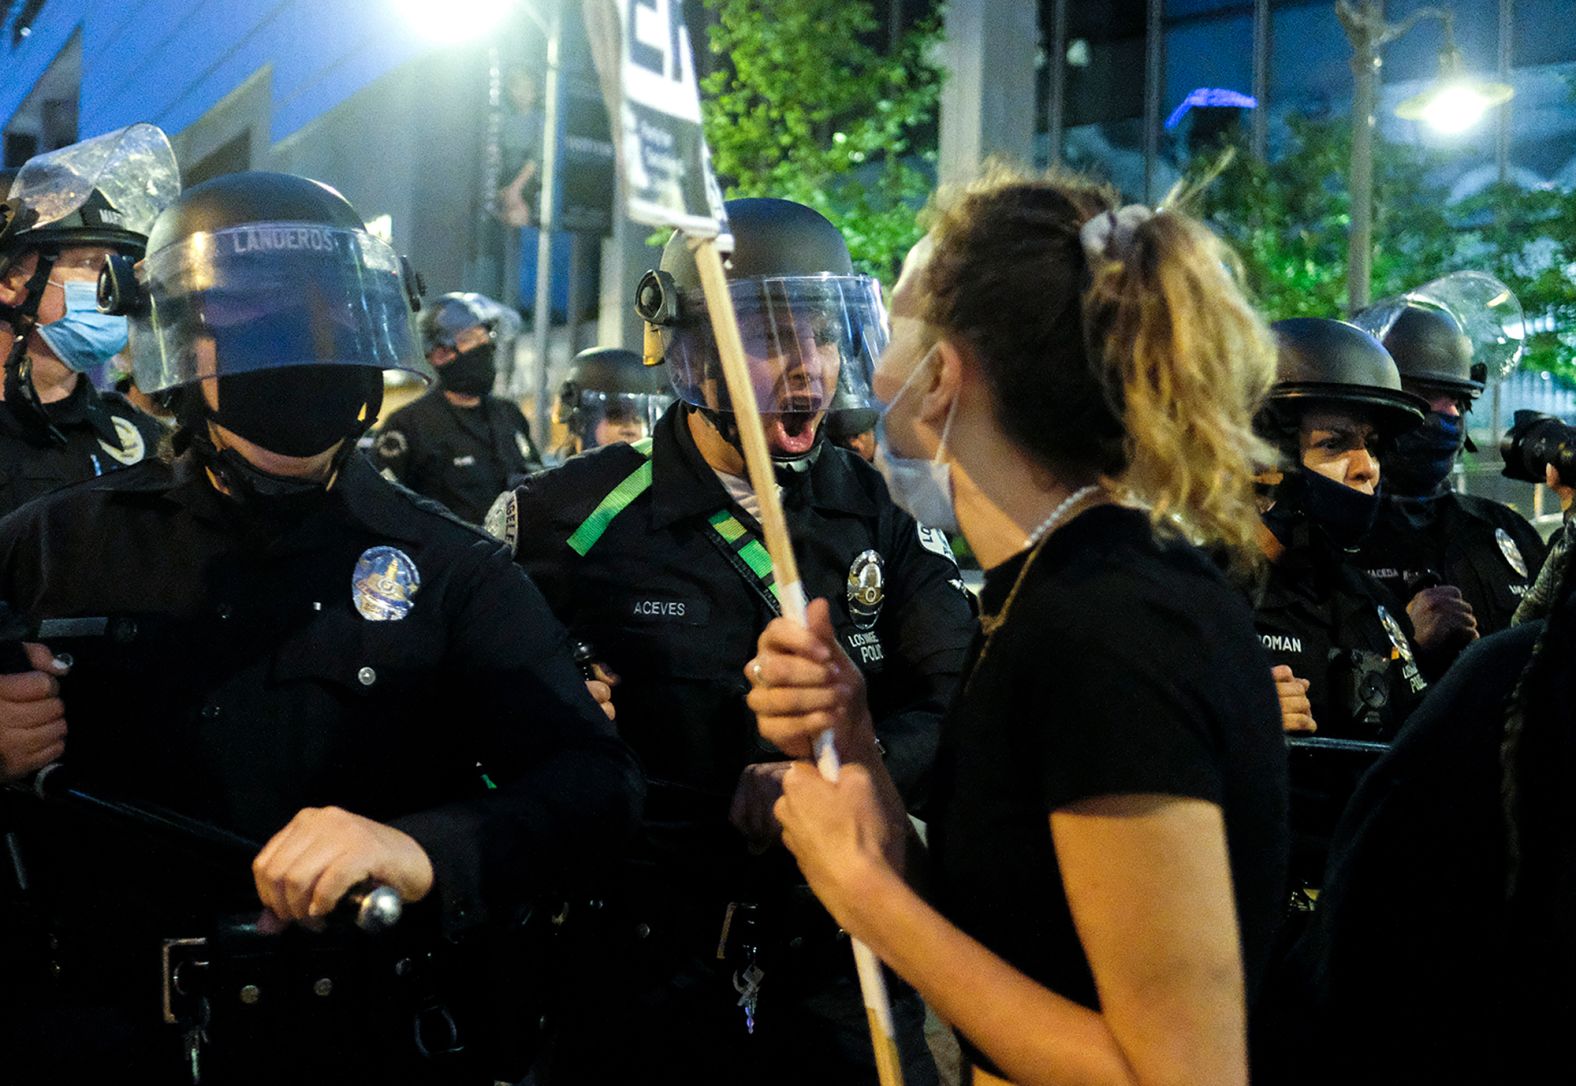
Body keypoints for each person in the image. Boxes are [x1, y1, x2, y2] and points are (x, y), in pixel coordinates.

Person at [0, 170, 642, 1085]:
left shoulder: (453, 566)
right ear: (183, 332)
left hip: (361, 1034)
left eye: (327, 313)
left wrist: (422, 848)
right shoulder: (51, 546)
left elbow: (596, 788)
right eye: (257, 313)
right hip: (104, 1033)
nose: (299, 344)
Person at [749, 171, 1290, 1086]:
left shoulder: (1115, 621)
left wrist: (865, 896)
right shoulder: (1043, 586)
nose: (867, 364)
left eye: (893, 328)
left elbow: (1182, 1072)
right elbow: (1008, 939)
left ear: (941, 375)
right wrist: (858, 751)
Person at [492, 197, 976, 1084]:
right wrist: (549, 708)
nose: (807, 368)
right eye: (768, 337)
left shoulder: (889, 512)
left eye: (824, 336)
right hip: (639, 975)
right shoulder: (561, 520)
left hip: (840, 960)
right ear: (688, 350)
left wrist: (835, 777)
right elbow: (476, 735)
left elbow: (954, 703)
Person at [1272, 508, 1576, 1084]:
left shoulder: (1496, 568)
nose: (1364, 468)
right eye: (1336, 443)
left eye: (1370, 444)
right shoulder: (1516, 669)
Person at [1352, 299, 1546, 658]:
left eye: (1458, 398)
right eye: (1426, 397)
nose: (1451, 413)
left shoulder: (1506, 532)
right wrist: (1406, 649)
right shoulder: (1333, 541)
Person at [0, 126, 174, 517]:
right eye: (88, 264)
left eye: (118, 266)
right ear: (9, 281)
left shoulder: (141, 438)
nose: (113, 285)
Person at [372, 291, 541, 523]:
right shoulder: (408, 426)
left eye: (486, 339)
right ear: (439, 354)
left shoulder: (509, 415)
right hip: (445, 555)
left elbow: (535, 483)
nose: (484, 348)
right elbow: (381, 507)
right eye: (472, 339)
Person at [551, 345, 671, 456]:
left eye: (639, 419)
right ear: (578, 422)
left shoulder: (662, 477)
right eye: (616, 415)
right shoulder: (555, 478)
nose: (631, 429)